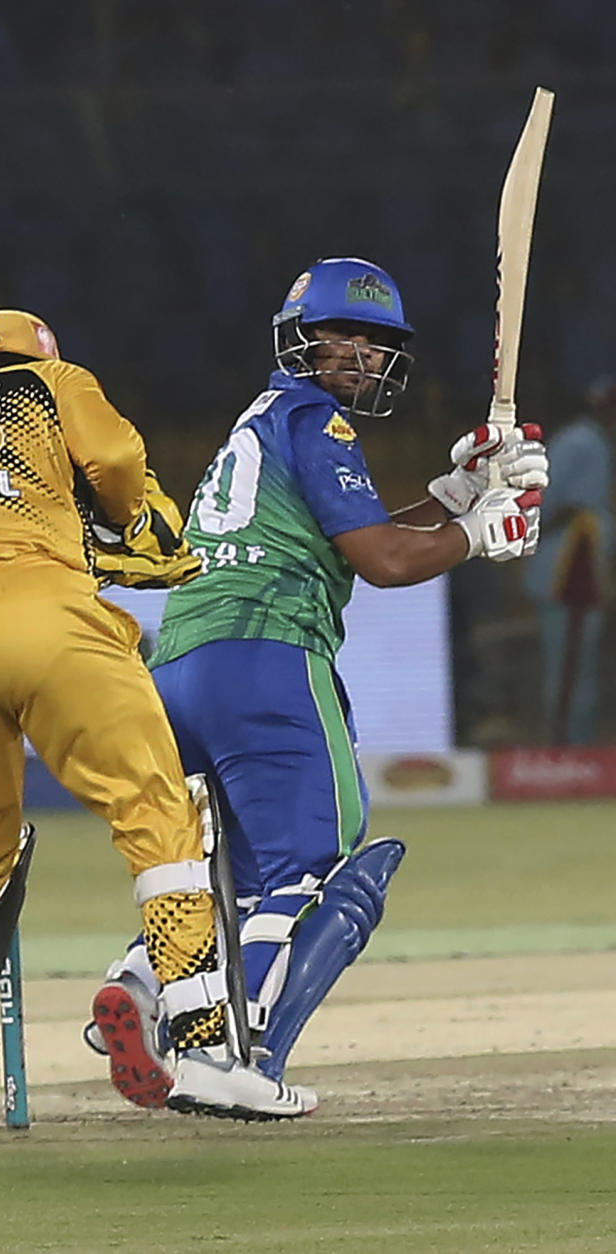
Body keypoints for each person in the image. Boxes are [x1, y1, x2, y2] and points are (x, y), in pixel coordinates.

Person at [84, 257, 549, 1104]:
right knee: (314, 868)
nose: (360, 353)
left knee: (221, 875)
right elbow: (382, 562)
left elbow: (362, 532)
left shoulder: (261, 421)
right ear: (300, 339)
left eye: (375, 342)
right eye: (343, 334)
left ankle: (141, 984)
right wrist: (486, 535)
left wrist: (459, 497)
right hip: (262, 657)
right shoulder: (317, 421)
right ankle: (238, 1060)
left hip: (178, 666)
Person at [0, 308, 318, 1142]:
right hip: (41, 615)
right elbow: (115, 461)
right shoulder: (53, 384)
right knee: (159, 814)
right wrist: (130, 517)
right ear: (40, 353)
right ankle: (205, 1052)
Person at [523, 375, 615, 743]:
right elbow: (553, 503)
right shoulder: (584, 443)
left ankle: (574, 749)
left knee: (577, 668)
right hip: (570, 570)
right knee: (570, 670)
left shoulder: (593, 442)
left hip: (579, 566)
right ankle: (565, 759)